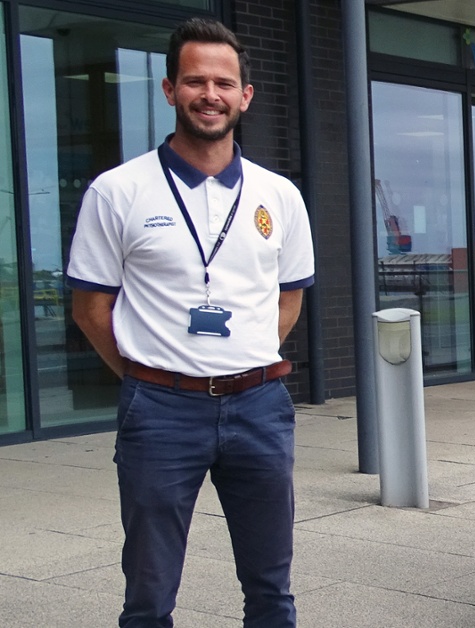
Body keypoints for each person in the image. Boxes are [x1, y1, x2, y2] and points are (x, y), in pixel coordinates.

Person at [65, 18, 313, 628]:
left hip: (259, 405)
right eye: (196, 80)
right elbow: (90, 306)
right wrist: (145, 375)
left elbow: (289, 297)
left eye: (224, 83)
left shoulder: (278, 195)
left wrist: (245, 356)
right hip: (160, 410)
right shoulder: (117, 191)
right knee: (148, 596)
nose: (211, 94)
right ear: (170, 89)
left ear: (245, 96)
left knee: (271, 589)